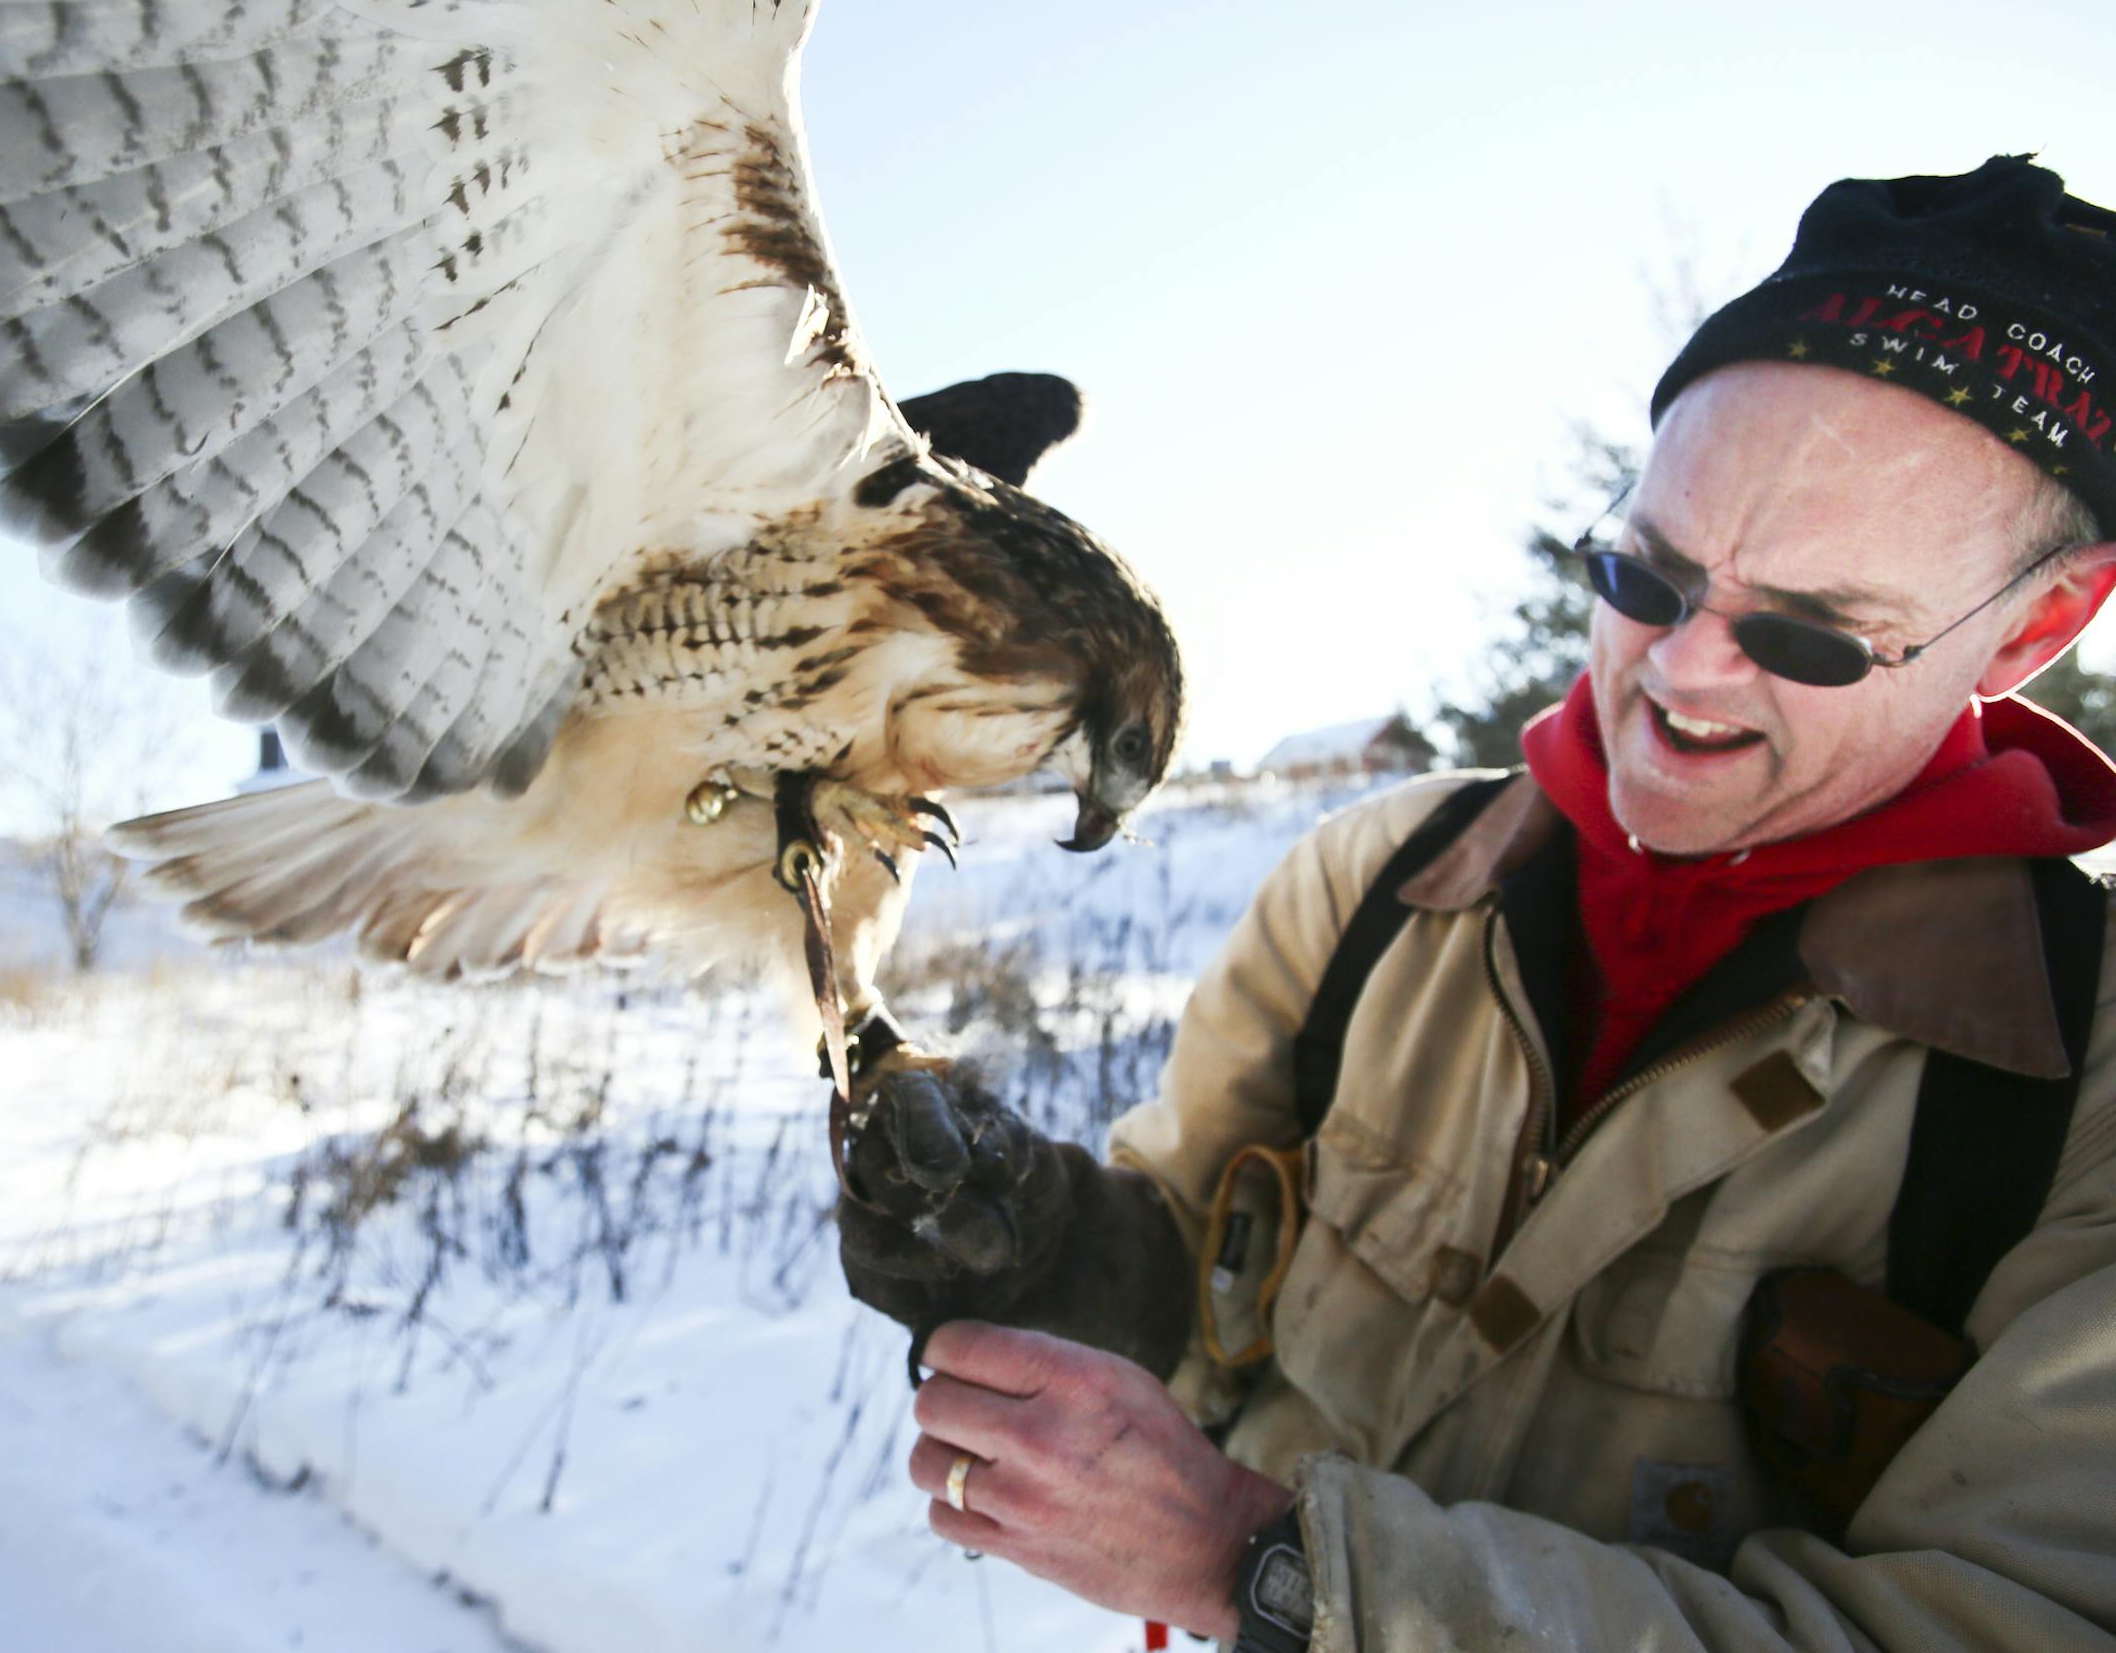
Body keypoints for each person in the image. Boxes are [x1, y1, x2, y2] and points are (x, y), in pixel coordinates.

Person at [836, 155, 2116, 1649]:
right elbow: (1195, 1285)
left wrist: (1268, 1569)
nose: (1684, 675)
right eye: (1647, 576)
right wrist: (1037, 1249)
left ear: (2037, 626)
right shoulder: (1375, 884)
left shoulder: (2077, 1088)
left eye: (1815, 635)